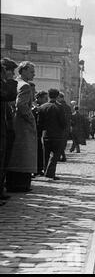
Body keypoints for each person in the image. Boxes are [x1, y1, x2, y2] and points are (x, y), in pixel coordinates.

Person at [5, 61, 37, 193]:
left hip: (12, 122)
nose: (33, 74)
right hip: (22, 125)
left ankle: (12, 182)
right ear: (23, 71)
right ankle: (21, 184)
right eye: (31, 71)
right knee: (24, 155)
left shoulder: (15, 83)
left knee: (14, 155)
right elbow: (22, 106)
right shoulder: (25, 86)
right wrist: (31, 120)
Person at [38, 89, 67, 180]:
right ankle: (50, 173)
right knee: (55, 155)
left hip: (46, 134)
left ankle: (46, 170)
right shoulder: (60, 107)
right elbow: (63, 122)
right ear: (57, 96)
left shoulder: (42, 107)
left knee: (46, 154)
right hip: (57, 135)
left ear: (49, 96)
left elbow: (39, 123)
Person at [0, 58, 18, 203]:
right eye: (11, 71)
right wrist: (10, 81)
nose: (12, 74)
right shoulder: (4, 84)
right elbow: (8, 95)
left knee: (4, 161)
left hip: (5, 129)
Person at [32, 90, 49, 177]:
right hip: (33, 132)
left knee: (39, 151)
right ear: (39, 98)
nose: (47, 100)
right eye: (45, 98)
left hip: (39, 132)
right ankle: (35, 169)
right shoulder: (34, 107)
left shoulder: (40, 107)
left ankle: (38, 169)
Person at [57, 92, 72, 162]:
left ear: (60, 98)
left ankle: (61, 156)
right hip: (66, 127)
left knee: (59, 142)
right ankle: (62, 156)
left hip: (60, 127)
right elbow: (69, 118)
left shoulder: (58, 106)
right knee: (63, 143)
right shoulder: (68, 107)